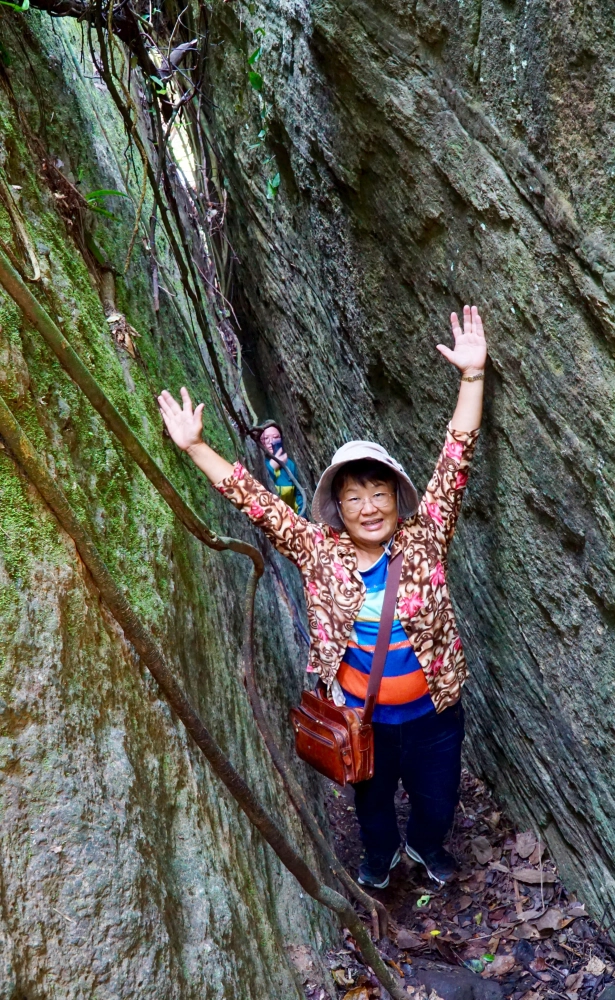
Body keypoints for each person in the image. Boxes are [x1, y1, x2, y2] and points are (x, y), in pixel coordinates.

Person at [157, 304, 487, 889]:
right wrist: (194, 447)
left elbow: (456, 455)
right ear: (338, 506)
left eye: (380, 492)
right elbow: (256, 503)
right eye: (355, 496)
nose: (370, 507)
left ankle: (425, 846)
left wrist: (472, 377)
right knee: (372, 806)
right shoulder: (318, 551)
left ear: (397, 497)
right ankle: (383, 854)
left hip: (436, 714)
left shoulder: (427, 534)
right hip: (363, 717)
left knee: (438, 800)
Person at [257, 420, 306, 515]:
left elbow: (298, 495)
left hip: (291, 519)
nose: (271, 442)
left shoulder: (289, 465)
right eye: (266, 438)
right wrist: (271, 466)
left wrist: (302, 519)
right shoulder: (257, 464)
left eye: (275, 437)